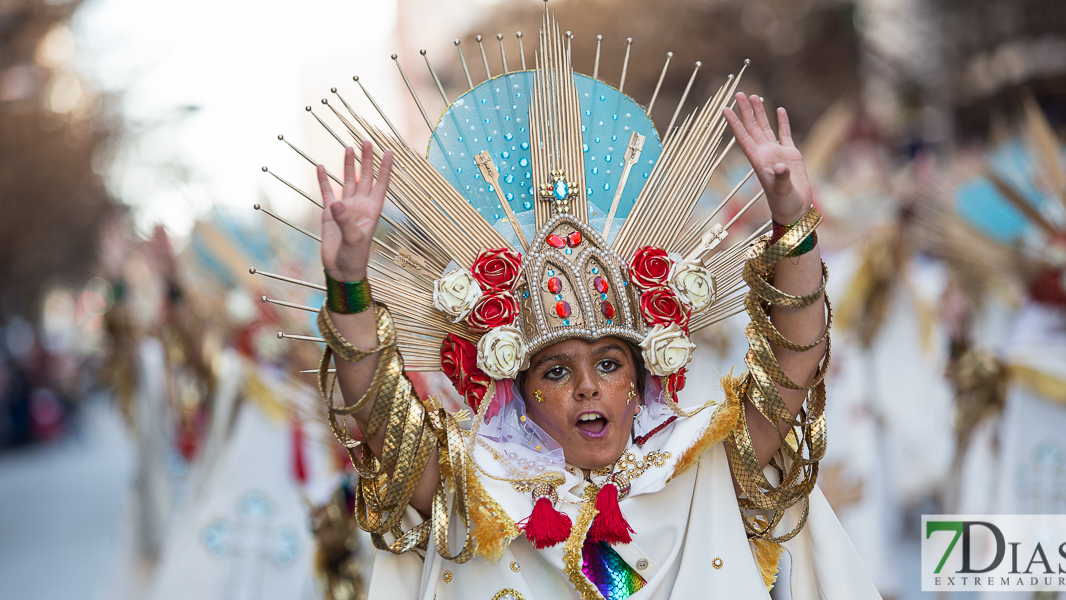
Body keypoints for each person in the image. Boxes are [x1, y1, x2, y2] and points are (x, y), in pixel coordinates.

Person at [298, 15, 879, 598]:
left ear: (640, 376)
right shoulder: (472, 489)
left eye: (608, 362)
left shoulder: (704, 467)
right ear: (517, 391)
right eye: (555, 370)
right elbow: (378, 416)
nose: (587, 387)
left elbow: (795, 362)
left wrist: (792, 225)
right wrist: (348, 281)